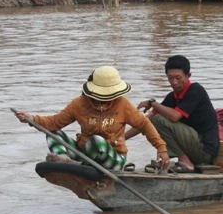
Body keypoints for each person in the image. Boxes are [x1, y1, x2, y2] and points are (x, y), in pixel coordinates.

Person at [15, 66, 169, 171]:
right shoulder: (79, 104)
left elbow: (143, 124)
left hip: (112, 157)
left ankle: (81, 166)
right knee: (54, 134)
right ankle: (71, 163)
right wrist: (31, 118)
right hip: (84, 155)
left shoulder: (123, 104)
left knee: (97, 141)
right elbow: (55, 122)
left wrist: (161, 148)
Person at [130, 55, 219, 172]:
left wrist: (152, 103)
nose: (174, 82)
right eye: (170, 78)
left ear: (188, 76)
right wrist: (119, 139)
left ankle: (185, 161)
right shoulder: (172, 97)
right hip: (192, 147)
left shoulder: (196, 90)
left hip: (205, 151)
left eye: (178, 77)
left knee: (158, 119)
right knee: (153, 121)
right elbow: (145, 122)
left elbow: (175, 116)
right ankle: (182, 159)